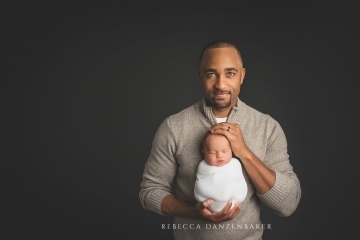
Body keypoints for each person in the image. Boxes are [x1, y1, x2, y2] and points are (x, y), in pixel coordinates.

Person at [139, 40, 301, 240]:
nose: (220, 84)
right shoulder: (173, 127)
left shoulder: (267, 127)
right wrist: (192, 212)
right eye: (211, 74)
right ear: (200, 77)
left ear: (242, 75)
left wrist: (244, 152)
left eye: (230, 73)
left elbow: (288, 204)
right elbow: (149, 192)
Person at [194, 132, 248, 213]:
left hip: (233, 200)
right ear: (204, 153)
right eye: (212, 152)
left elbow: (238, 180)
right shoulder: (202, 166)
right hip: (209, 201)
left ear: (231, 150)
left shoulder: (235, 163)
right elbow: (200, 182)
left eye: (225, 151)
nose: (219, 155)